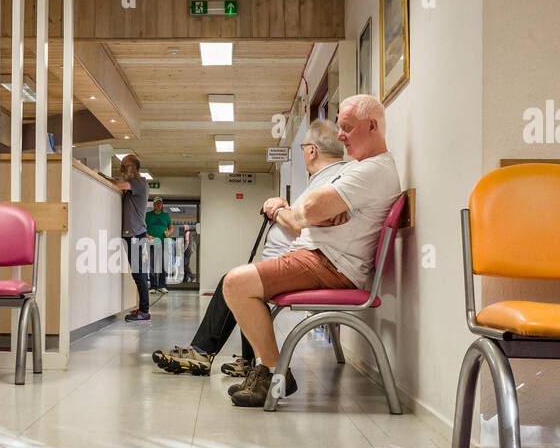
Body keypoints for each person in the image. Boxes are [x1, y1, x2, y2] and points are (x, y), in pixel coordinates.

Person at [224, 94, 401, 407]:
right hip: (317, 259)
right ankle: (271, 371)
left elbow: (307, 210)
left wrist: (300, 210)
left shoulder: (372, 170)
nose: (341, 135)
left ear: (372, 126)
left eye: (347, 127)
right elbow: (310, 211)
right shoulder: (359, 169)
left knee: (235, 283)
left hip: (329, 266)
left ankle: (274, 373)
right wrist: (314, 213)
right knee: (238, 281)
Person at [153, 117, 352, 378]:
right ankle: (243, 359)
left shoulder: (331, 181)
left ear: (312, 150)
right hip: (304, 262)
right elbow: (305, 219)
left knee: (236, 281)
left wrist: (278, 208)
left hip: (314, 266)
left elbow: (300, 223)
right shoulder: (325, 180)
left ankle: (202, 352)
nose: (303, 152)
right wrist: (283, 206)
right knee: (243, 278)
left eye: (303, 146)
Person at [100, 154, 151, 321]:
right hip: (132, 234)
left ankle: (144, 311)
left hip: (136, 234)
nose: (121, 169)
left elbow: (118, 184)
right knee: (137, 272)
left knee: (139, 273)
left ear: (133, 168)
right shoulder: (133, 186)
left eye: (124, 166)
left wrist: (104, 177)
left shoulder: (139, 183)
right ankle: (142, 309)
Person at [145, 198, 174, 292]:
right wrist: (147, 235)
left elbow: (171, 228)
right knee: (152, 265)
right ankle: (153, 286)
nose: (158, 205)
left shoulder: (166, 216)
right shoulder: (148, 215)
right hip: (151, 243)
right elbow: (142, 227)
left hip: (163, 243)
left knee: (162, 265)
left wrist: (169, 233)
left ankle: (162, 286)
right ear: (153, 204)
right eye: (156, 203)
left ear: (162, 205)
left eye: (160, 203)